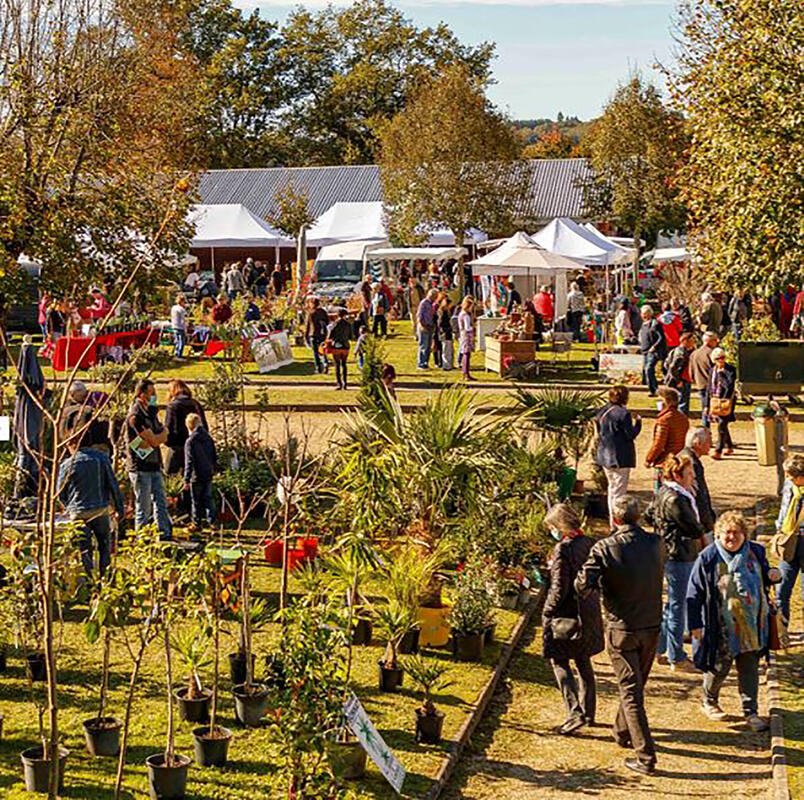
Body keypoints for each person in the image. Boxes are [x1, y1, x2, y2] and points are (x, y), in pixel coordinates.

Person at [575, 496, 663, 775]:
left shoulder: (604, 548)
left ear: (615, 519)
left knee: (631, 693)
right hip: (651, 625)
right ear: (637, 517)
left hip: (622, 628)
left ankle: (646, 757)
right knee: (635, 687)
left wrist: (597, 580)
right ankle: (622, 731)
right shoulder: (656, 543)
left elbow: (582, 585)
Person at [687, 511, 777, 732]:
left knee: (749, 668)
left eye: (737, 533)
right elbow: (694, 592)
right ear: (718, 534)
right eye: (727, 533)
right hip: (720, 627)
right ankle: (709, 700)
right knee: (718, 668)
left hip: (752, 626)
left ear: (744, 535)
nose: (732, 537)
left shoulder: (755, 552)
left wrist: (774, 574)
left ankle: (751, 711)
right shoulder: (708, 557)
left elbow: (765, 574)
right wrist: (695, 625)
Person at [542, 504, 604, 735]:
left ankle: (574, 711)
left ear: (560, 527)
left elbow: (559, 588)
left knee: (559, 661)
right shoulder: (590, 543)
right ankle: (589, 712)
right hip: (588, 610)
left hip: (567, 613)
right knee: (583, 660)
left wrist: (548, 611)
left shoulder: (563, 550)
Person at [653, 452, 706, 670]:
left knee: (673, 603)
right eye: (689, 474)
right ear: (677, 475)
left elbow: (649, 515)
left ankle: (660, 648)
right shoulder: (676, 498)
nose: (693, 477)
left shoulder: (664, 492)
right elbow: (693, 527)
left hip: (671, 552)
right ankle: (677, 656)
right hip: (680, 554)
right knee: (679, 604)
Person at [58, 423, 125, 577]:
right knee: (104, 546)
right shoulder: (101, 458)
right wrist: (119, 509)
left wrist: (68, 507)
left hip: (78, 512)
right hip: (100, 509)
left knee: (84, 550)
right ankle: (106, 577)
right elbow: (113, 485)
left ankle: (89, 582)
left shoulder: (67, 464)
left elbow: (60, 493)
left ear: (72, 443)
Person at [126, 379, 172, 540]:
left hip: (154, 464)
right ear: (141, 394)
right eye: (151, 393)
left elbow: (163, 434)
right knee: (143, 507)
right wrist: (157, 438)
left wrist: (156, 438)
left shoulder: (151, 413)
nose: (154, 396)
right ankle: (143, 540)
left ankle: (164, 535)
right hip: (140, 467)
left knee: (161, 502)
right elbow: (152, 440)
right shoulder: (135, 417)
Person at [595, 385, 642, 529]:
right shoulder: (623, 414)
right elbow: (630, 434)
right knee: (619, 492)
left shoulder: (602, 411)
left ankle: (613, 522)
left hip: (605, 456)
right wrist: (638, 423)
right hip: (620, 457)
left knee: (612, 490)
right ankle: (617, 523)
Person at [774, 454, 804, 631]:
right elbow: (784, 509)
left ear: (801, 477)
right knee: (781, 590)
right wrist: (779, 529)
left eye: (790, 476)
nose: (787, 479)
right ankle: (781, 629)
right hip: (789, 543)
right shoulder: (789, 486)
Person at [164, 379, 207, 477]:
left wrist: (168, 441)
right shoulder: (195, 404)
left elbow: (169, 428)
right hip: (197, 446)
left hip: (178, 447)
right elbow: (204, 426)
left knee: (171, 477)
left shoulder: (173, 406)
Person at [183, 412, 217, 531]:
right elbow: (214, 456)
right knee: (208, 499)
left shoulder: (190, 441)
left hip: (195, 474)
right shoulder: (208, 438)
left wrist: (186, 479)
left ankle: (197, 524)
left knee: (196, 501)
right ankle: (213, 523)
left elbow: (189, 461)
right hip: (207, 473)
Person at [681, 427, 716, 536]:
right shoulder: (691, 464)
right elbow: (699, 495)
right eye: (708, 441)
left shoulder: (687, 458)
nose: (711, 444)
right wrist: (707, 522)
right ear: (698, 443)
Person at [644, 386, 689, 471]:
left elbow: (659, 443)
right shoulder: (683, 418)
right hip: (679, 458)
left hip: (665, 461)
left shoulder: (664, 420)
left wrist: (649, 459)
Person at [707, 347, 736, 459]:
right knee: (722, 424)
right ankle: (729, 446)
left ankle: (718, 450)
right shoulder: (711, 370)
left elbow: (729, 385)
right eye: (719, 358)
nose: (721, 360)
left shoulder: (730, 370)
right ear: (714, 359)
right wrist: (706, 405)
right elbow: (709, 387)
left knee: (722, 425)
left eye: (723, 357)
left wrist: (721, 375)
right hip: (714, 400)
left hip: (726, 401)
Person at [663, 331, 696, 414]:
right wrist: (678, 381)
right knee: (682, 402)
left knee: (675, 400)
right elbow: (672, 367)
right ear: (685, 341)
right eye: (692, 340)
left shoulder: (676, 350)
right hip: (681, 380)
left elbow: (666, 364)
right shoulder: (681, 353)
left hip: (678, 379)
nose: (693, 343)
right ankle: (681, 418)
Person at [690, 331, 718, 427]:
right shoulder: (712, 353)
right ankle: (706, 431)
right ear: (711, 341)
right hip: (711, 385)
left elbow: (691, 371)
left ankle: (706, 430)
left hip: (700, 384)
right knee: (709, 410)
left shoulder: (694, 353)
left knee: (705, 408)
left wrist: (695, 380)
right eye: (715, 340)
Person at [638, 305, 666, 397]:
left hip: (653, 351)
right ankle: (652, 389)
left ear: (650, 314)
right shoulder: (643, 324)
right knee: (647, 371)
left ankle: (654, 390)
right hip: (645, 351)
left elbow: (661, 337)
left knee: (649, 369)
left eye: (646, 314)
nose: (644, 316)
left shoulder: (655, 324)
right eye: (643, 314)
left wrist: (654, 346)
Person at [327, 308, 352, 391]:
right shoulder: (348, 324)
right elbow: (351, 336)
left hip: (337, 346)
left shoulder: (335, 324)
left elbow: (330, 335)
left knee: (337, 365)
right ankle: (345, 383)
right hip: (345, 345)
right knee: (344, 365)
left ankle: (339, 383)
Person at [306, 297, 330, 374]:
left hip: (313, 334)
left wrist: (305, 336)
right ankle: (325, 363)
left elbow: (307, 326)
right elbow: (327, 322)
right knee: (322, 350)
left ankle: (318, 367)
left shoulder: (310, 313)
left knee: (315, 352)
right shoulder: (323, 312)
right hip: (322, 333)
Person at [416, 289, 437, 369]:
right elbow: (419, 315)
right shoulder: (424, 303)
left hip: (430, 326)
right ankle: (421, 363)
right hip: (423, 326)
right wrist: (422, 324)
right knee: (423, 345)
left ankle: (425, 363)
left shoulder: (432, 304)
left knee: (428, 346)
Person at [458, 295, 476, 381]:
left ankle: (465, 372)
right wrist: (473, 328)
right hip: (466, 335)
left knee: (465, 353)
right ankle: (466, 373)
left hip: (463, 334)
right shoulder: (465, 315)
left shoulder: (461, 313)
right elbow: (467, 327)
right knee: (466, 354)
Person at [439, 296, 454, 370]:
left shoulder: (447, 313)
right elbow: (441, 324)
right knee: (446, 350)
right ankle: (446, 365)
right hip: (445, 333)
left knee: (449, 349)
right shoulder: (443, 313)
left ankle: (449, 364)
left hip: (448, 333)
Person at [170, 294, 187, 358]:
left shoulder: (173, 308)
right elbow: (183, 319)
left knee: (176, 340)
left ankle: (176, 352)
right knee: (181, 341)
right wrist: (185, 328)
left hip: (174, 325)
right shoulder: (181, 309)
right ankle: (179, 354)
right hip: (180, 326)